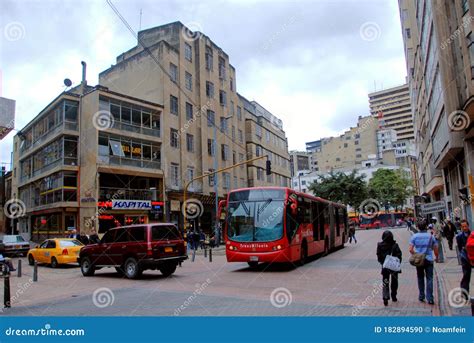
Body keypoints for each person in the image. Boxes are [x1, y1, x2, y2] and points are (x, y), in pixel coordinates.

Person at [409, 221, 439, 304]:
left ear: (418, 227)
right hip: (429, 259)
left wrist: (416, 255)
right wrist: (436, 257)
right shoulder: (430, 236)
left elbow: (410, 249)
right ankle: (430, 298)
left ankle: (421, 296)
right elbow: (436, 248)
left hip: (419, 260)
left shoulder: (414, 237)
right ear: (426, 227)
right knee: (429, 278)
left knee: (420, 278)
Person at [376, 230, 402, 306]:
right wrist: (397, 263)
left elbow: (379, 256)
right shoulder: (395, 245)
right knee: (394, 281)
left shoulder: (380, 245)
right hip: (394, 267)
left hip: (385, 267)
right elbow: (399, 255)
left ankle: (385, 297)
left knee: (385, 281)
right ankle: (394, 295)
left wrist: (383, 263)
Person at [456, 220, 472, 300]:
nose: (464, 228)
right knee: (466, 276)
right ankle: (465, 294)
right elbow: (459, 247)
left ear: (468, 226)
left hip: (472, 257)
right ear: (461, 227)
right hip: (465, 258)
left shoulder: (472, 234)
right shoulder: (459, 236)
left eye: (466, 226)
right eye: (463, 227)